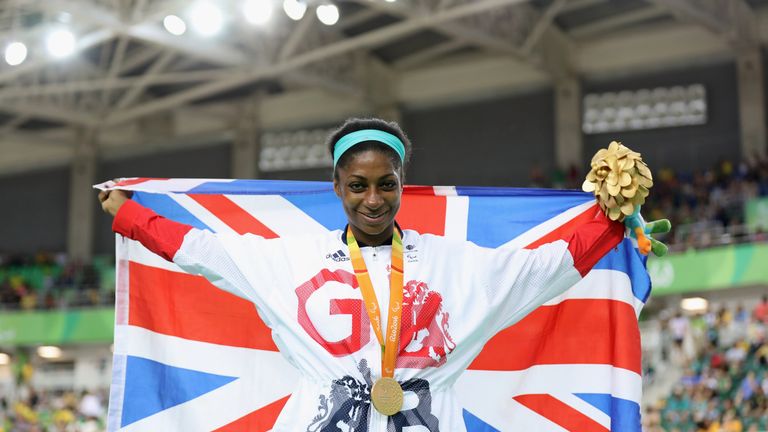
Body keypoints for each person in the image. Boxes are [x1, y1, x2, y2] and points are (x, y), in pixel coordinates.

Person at [99, 117, 656, 430]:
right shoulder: (289, 260)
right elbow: (202, 250)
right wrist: (130, 216)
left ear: (400, 184)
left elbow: (546, 270)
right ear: (338, 189)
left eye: (386, 183)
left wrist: (612, 216)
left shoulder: (451, 263)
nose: (373, 198)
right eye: (358, 185)